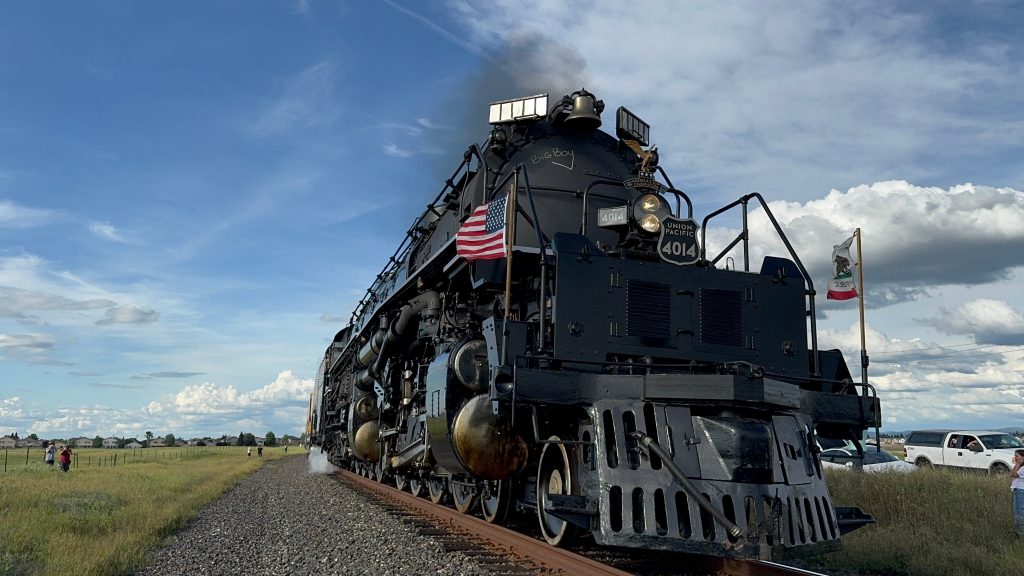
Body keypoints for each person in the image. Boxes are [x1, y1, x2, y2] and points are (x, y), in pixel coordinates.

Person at [1012, 450, 1024, 536]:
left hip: (1021, 491)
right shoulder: (1020, 466)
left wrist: (1017, 464)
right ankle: (1018, 532)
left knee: (1020, 512)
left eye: (1017, 456)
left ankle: (1021, 533)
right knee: (1016, 511)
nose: (1015, 458)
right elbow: (1010, 474)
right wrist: (1017, 464)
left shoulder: (1022, 468)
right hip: (1017, 490)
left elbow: (1014, 474)